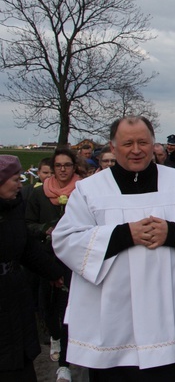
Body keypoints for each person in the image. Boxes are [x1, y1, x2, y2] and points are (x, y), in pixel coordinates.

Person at [51, 116, 175, 381]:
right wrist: (123, 234)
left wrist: (172, 232)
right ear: (113, 147)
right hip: (113, 317)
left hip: (170, 312)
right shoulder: (89, 190)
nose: (136, 149)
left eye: (143, 142)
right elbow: (66, 239)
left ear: (154, 144)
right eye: (128, 143)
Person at [0, 155, 64, 382]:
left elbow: (27, 248)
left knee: (19, 356)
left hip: (15, 294)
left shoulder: (14, 207)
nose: (21, 184)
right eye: (16, 179)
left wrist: (55, 273)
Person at [25, 148, 81, 380]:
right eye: (58, 165)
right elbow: (28, 223)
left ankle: (65, 363)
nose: (62, 169)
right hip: (45, 257)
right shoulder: (39, 194)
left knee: (66, 308)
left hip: (72, 261)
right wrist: (44, 229)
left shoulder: (82, 190)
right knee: (46, 306)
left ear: (73, 167)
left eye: (67, 165)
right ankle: (54, 335)